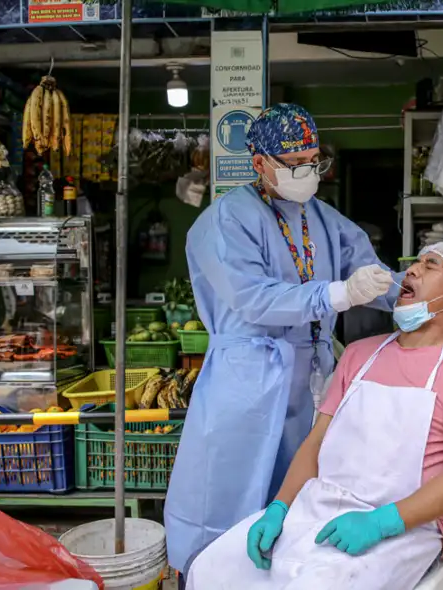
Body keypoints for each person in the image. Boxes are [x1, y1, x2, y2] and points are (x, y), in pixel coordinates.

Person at [165, 103, 403, 574]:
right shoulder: (225, 221)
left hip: (311, 379)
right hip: (247, 381)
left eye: (315, 161)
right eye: (295, 164)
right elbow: (252, 298)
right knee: (231, 501)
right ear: (260, 163)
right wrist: (337, 294)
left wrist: (414, 301)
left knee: (300, 501)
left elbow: (369, 274)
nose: (308, 173)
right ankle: (209, 575)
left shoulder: (323, 219)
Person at [186, 242, 443, 589]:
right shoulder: (359, 354)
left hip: (405, 525)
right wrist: (280, 507)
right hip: (317, 507)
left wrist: (382, 523)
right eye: (414, 262)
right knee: (212, 569)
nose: (411, 270)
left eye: (429, 266)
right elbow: (316, 442)